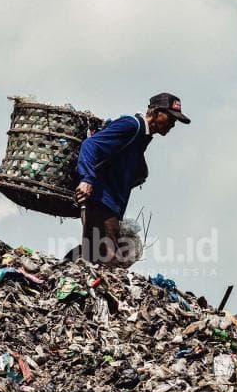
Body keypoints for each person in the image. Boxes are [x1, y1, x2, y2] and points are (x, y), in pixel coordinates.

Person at [72, 92, 191, 265]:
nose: (173, 124)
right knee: (109, 260)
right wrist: (86, 180)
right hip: (101, 201)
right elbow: (90, 145)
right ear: (157, 112)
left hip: (110, 205)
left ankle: (72, 268)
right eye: (171, 118)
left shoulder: (143, 136)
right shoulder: (131, 125)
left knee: (96, 257)